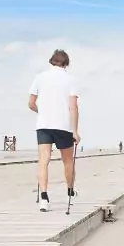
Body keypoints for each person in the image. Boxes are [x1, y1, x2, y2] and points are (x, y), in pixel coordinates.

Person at [28, 49, 81, 212]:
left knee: (44, 160)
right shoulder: (70, 80)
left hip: (43, 125)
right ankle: (70, 191)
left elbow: (31, 103)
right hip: (63, 125)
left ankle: (44, 198)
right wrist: (75, 131)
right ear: (66, 63)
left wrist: (43, 112)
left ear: (51, 61)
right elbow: (73, 107)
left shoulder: (39, 77)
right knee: (67, 161)